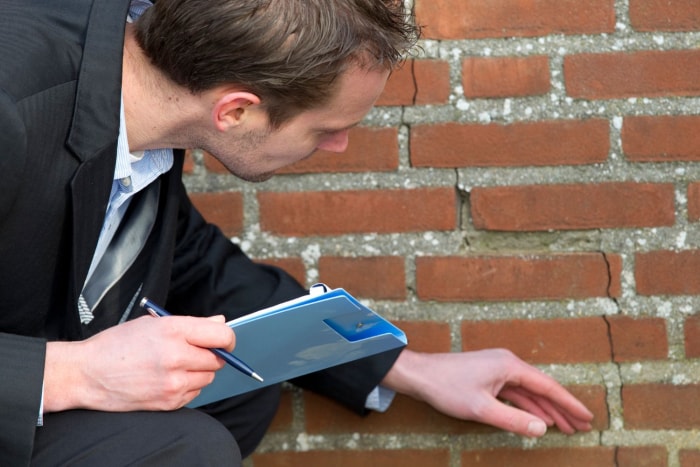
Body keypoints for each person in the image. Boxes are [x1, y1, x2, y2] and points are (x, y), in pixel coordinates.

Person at [0, 0, 594, 465]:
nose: (338, 145)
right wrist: (76, 373)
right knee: (185, 448)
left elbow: (184, 256)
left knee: (236, 381)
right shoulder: (14, 105)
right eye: (327, 128)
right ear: (236, 111)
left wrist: (405, 368)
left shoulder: (144, 88)